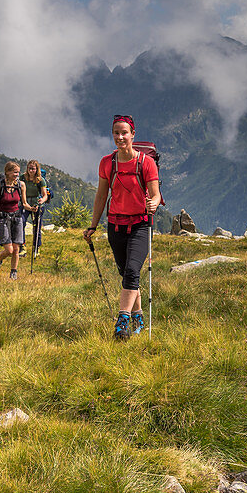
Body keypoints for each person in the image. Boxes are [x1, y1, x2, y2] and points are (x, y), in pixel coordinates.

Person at [83, 115, 161, 339]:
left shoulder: (146, 163)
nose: (120, 137)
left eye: (124, 132)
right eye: (116, 133)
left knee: (131, 271)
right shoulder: (107, 163)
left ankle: (122, 322)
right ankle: (138, 316)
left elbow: (156, 195)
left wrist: (153, 204)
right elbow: (101, 196)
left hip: (140, 225)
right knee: (125, 273)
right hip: (115, 225)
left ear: (133, 134)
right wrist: (93, 226)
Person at [0, 161, 36, 279]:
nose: (16, 175)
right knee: (9, 250)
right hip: (3, 219)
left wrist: (32, 208)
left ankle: (13, 272)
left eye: (18, 172)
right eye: (14, 172)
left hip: (17, 218)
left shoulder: (21, 185)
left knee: (16, 249)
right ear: (7, 172)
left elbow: (24, 203)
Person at [20, 160, 49, 257]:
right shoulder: (22, 178)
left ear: (37, 169)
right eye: (29, 168)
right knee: (21, 222)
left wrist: (42, 201)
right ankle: (22, 246)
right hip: (25, 203)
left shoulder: (40, 180)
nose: (31, 171)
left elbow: (45, 195)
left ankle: (36, 247)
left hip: (37, 204)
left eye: (33, 168)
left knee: (37, 226)